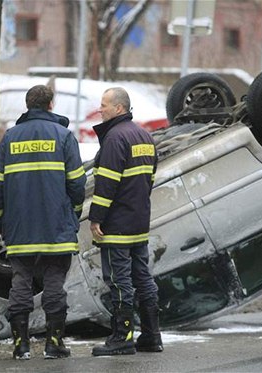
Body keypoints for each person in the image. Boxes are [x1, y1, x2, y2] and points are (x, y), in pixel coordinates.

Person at [0, 85, 86, 360]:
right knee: (55, 282)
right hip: (56, 227)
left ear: (28, 105)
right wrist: (74, 212)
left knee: (20, 281)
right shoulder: (64, 136)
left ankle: (20, 345)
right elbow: (77, 183)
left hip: (20, 229)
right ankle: (54, 343)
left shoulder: (9, 138)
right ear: (50, 105)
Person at [89, 87, 163, 356]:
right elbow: (150, 179)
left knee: (120, 281)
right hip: (139, 222)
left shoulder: (114, 138)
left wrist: (96, 218)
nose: (101, 109)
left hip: (118, 224)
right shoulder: (144, 135)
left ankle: (122, 338)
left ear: (119, 108)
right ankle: (152, 336)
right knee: (142, 276)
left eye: (104, 105)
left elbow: (106, 184)